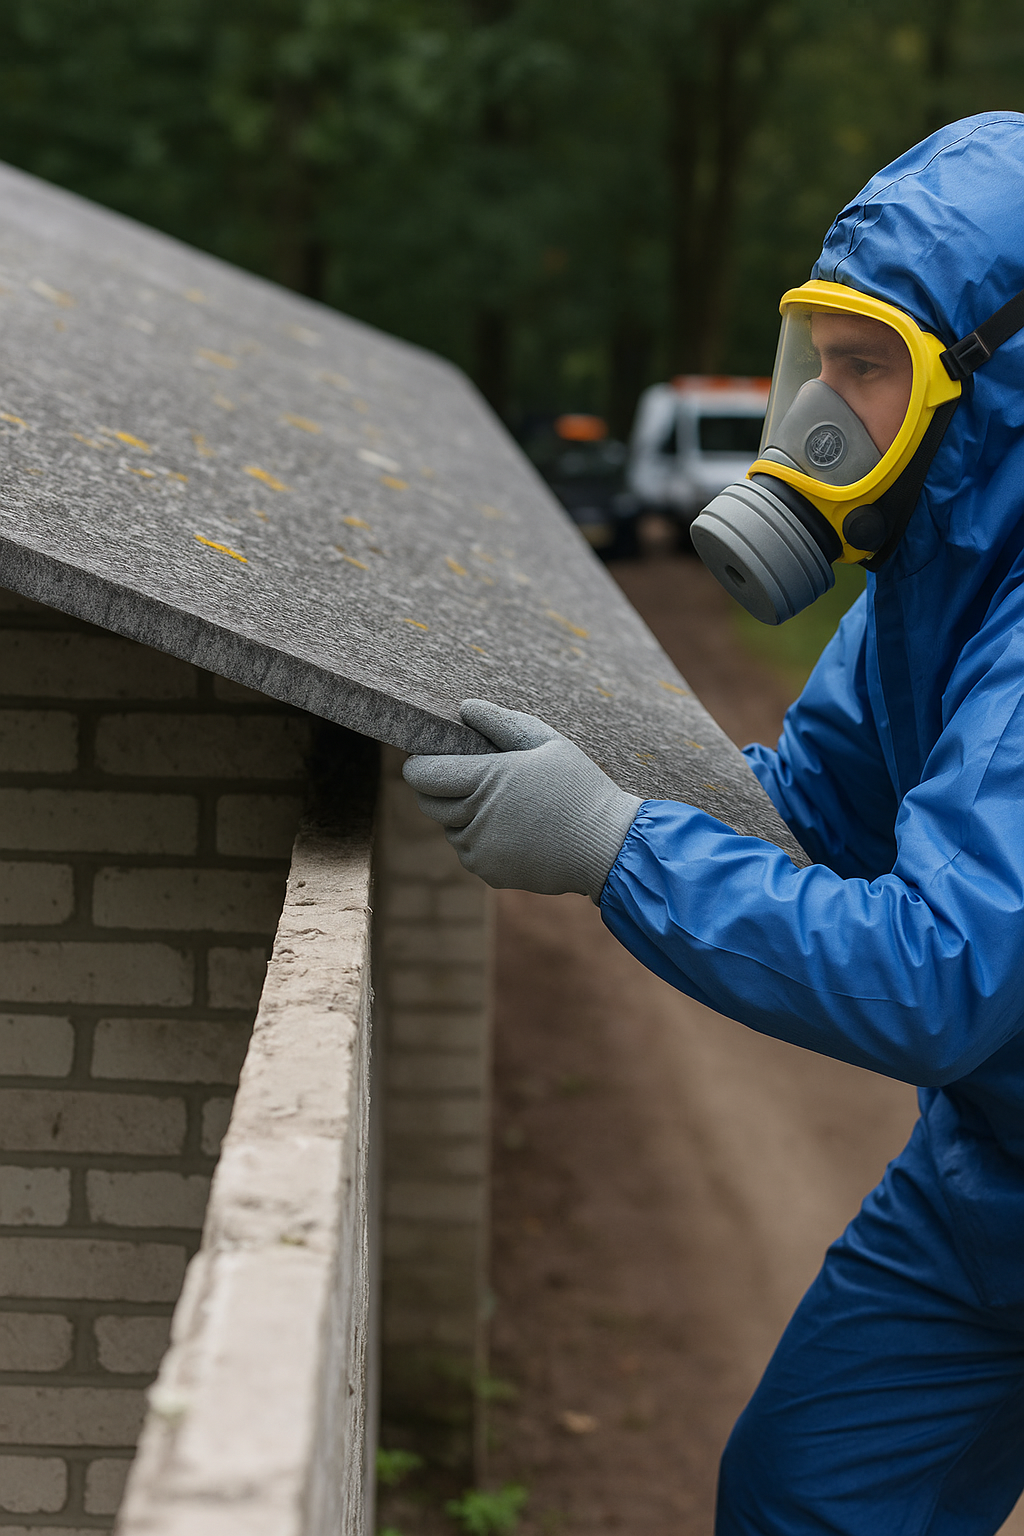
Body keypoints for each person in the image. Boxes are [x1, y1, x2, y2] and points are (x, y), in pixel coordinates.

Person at [404, 113, 1024, 1533]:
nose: (819, 412)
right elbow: (808, 810)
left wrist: (613, 845)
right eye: (826, 358)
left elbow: (937, 973)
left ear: (994, 392)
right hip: (992, 1179)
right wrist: (577, 743)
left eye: (870, 372)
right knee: (803, 1496)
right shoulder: (930, 576)